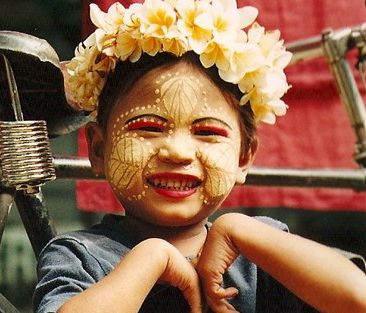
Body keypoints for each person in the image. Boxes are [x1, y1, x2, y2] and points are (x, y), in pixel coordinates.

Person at [34, 1, 366, 313]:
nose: (178, 152)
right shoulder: (78, 256)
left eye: (207, 132)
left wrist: (239, 230)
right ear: (98, 149)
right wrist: (152, 258)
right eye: (149, 127)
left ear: (244, 156)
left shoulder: (258, 252)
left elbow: (358, 298)